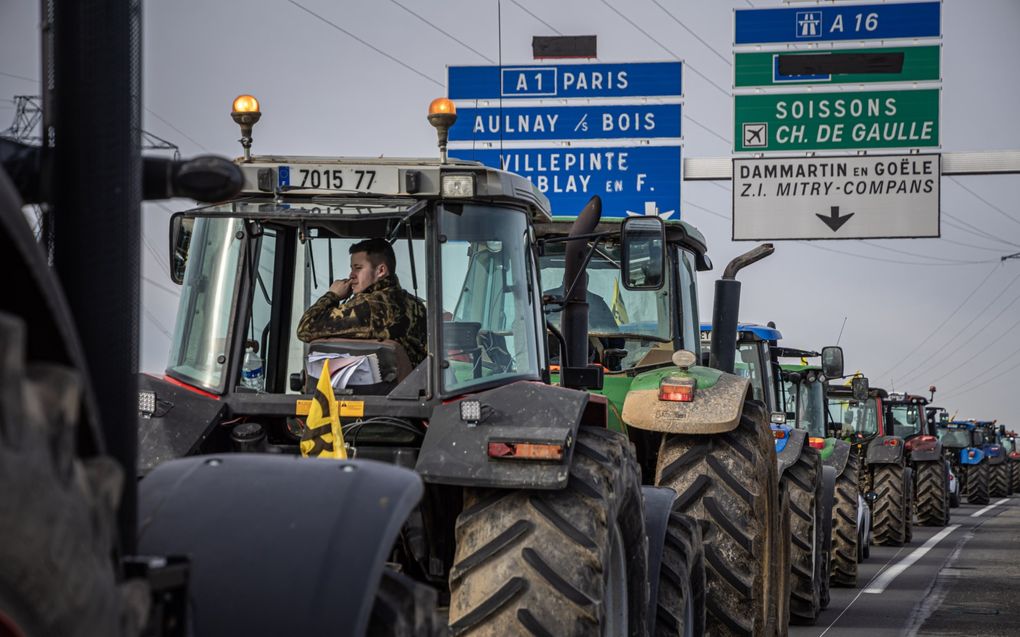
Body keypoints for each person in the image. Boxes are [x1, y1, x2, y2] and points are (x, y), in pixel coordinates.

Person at [297, 238, 427, 366]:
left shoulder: (369, 307)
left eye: (358, 268)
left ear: (381, 271)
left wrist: (332, 295)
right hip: (411, 386)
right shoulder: (416, 305)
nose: (351, 275)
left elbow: (305, 328)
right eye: (352, 268)